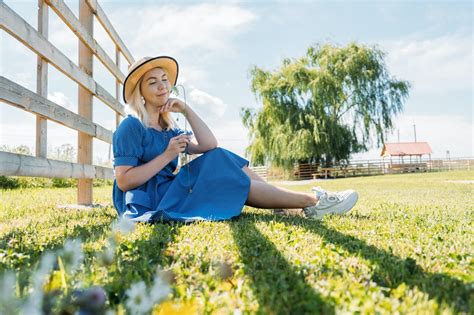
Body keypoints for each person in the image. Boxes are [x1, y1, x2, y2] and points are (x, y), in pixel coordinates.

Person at [112, 56, 359, 222]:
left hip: (172, 188)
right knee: (229, 181)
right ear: (141, 93)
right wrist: (167, 155)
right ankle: (314, 202)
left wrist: (186, 110)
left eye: (164, 80)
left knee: (220, 157)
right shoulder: (131, 127)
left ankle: (284, 203)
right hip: (151, 200)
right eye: (152, 83)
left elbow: (210, 145)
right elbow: (124, 181)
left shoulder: (169, 128)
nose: (161, 86)